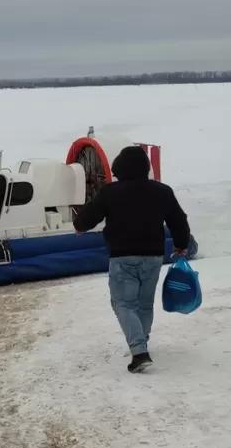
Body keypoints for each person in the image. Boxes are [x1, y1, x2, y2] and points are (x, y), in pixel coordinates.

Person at [73, 146, 191, 373]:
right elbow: (178, 219)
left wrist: (79, 226)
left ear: (120, 168)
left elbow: (88, 217)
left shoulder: (110, 192)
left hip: (123, 257)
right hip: (153, 256)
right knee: (144, 304)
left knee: (123, 304)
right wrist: (181, 244)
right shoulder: (162, 191)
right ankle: (142, 342)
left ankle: (139, 352)